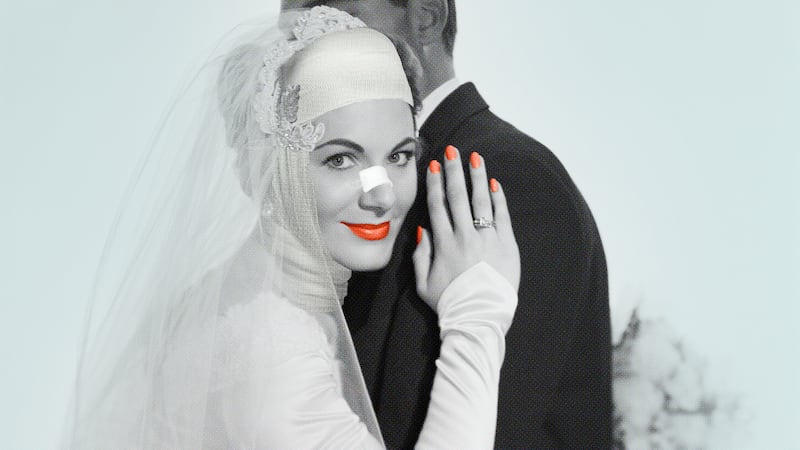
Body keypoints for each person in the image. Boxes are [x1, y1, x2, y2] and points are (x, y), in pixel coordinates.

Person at [63, 6, 520, 449]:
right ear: (267, 167)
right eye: (341, 159)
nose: (381, 194)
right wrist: (476, 316)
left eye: (399, 156)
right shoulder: (269, 349)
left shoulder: (251, 290)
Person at [281, 1, 613, 448]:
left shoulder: (506, 178)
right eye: (295, 29)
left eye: (335, 14)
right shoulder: (339, 191)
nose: (308, 42)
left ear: (426, 16)